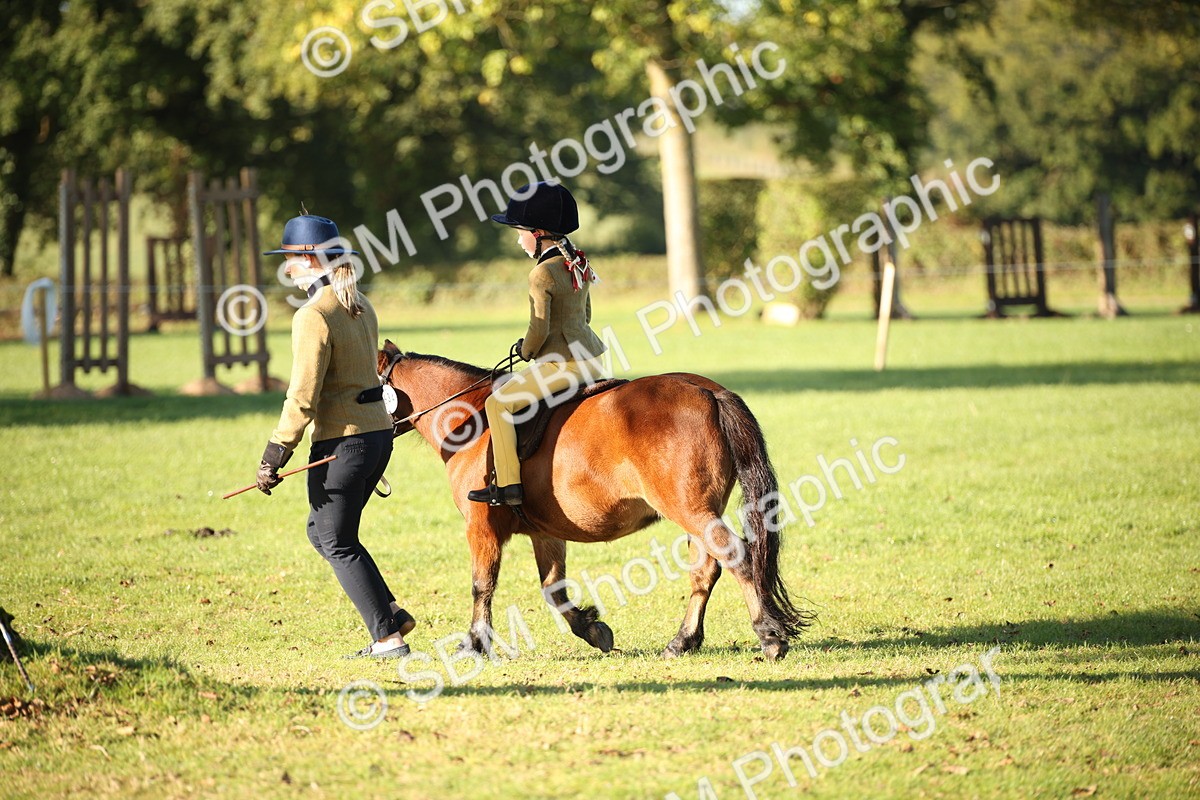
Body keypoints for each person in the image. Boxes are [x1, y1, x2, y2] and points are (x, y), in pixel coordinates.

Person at [255, 214, 414, 658]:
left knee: (337, 541)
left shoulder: (313, 315)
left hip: (341, 444)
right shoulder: (360, 304)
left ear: (308, 259)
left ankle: (387, 637)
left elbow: (302, 395)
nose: (286, 268)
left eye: (289, 259)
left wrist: (274, 454)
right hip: (377, 437)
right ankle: (390, 614)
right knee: (322, 531)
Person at [467, 182, 607, 508]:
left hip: (563, 366)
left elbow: (539, 327)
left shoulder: (542, 273)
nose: (518, 241)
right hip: (593, 360)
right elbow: (585, 315)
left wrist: (526, 352)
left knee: (497, 405)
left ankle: (508, 485)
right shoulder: (578, 264)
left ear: (539, 232)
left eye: (520, 233)